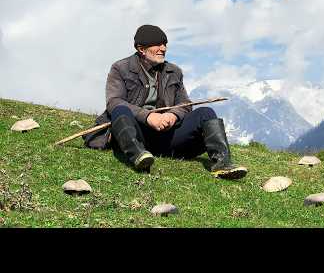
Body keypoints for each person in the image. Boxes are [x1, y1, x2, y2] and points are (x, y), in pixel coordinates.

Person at [84, 24, 247, 179]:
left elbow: (185, 103)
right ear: (141, 49)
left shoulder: (174, 71)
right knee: (120, 109)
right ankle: (139, 156)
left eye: (165, 44)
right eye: (158, 44)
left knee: (206, 113)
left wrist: (173, 115)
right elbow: (113, 101)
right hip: (135, 132)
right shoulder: (120, 68)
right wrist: (147, 117)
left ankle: (222, 163)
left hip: (166, 134)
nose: (163, 48)